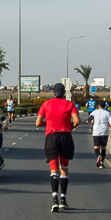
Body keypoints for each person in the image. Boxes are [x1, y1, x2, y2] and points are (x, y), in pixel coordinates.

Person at [36, 82, 81, 212]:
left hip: (51, 137)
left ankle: (54, 199)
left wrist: (49, 124)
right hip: (65, 137)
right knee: (64, 169)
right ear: (64, 93)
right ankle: (63, 199)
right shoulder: (70, 104)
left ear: (53, 93)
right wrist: (68, 126)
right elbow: (77, 121)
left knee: (53, 169)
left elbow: (38, 122)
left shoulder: (46, 104)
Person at [88, 99, 111, 168]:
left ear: (98, 106)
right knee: (103, 148)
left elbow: (88, 120)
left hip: (96, 132)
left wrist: (92, 124)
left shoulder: (94, 112)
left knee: (96, 147)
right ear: (105, 106)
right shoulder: (107, 113)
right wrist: (108, 125)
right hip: (105, 132)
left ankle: (98, 156)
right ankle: (102, 163)